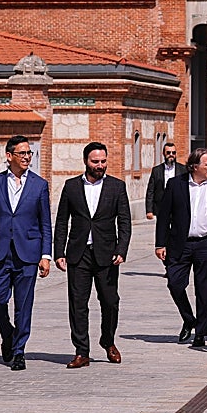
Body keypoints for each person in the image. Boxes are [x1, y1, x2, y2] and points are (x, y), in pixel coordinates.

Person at [0, 135, 52, 370]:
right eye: (23, 153)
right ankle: (7, 332)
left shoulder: (39, 185)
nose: (28, 157)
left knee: (24, 305)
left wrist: (45, 255)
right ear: (10, 156)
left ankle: (19, 351)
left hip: (28, 253)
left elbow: (45, 223)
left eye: (30, 153)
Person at [54, 142, 132, 368]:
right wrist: (59, 251)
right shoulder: (71, 187)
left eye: (103, 161)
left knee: (110, 302)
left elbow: (124, 222)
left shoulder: (117, 187)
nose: (100, 166)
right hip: (78, 255)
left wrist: (121, 250)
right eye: (95, 161)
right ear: (85, 161)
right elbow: (61, 221)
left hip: (107, 255)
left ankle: (108, 340)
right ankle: (81, 351)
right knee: (78, 304)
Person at [155, 147, 207, 348]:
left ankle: (201, 332)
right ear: (194, 166)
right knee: (175, 283)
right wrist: (160, 243)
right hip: (180, 243)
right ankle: (189, 319)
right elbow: (164, 216)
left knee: (204, 290)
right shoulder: (175, 185)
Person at [145, 141, 186, 220]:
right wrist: (149, 210)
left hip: (178, 206)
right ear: (163, 153)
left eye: (173, 153)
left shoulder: (183, 169)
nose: (171, 155)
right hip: (161, 206)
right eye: (168, 152)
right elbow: (150, 191)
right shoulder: (156, 170)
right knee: (162, 230)